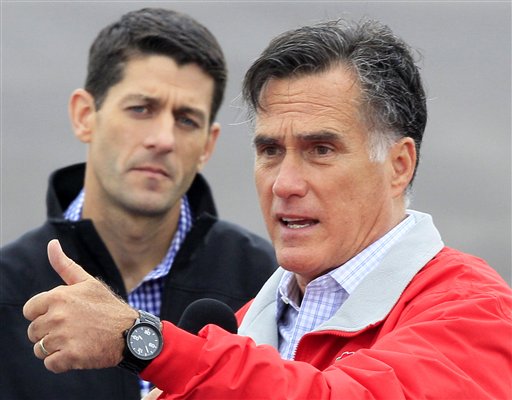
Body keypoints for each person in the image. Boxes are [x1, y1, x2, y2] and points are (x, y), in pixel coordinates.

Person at [22, 17, 512, 399]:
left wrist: (143, 341)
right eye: (269, 151)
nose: (285, 183)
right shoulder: (242, 323)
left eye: (321, 149)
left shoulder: (474, 310)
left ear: (399, 165)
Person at [0, 7, 277, 400]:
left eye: (186, 120)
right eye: (141, 109)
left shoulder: (267, 283)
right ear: (84, 116)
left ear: (208, 145)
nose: (163, 138)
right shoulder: (7, 287)